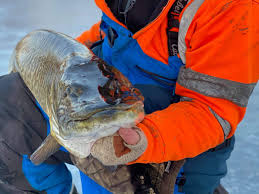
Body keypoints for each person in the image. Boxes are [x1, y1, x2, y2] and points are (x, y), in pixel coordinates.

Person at [0, 0, 257, 194]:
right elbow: (110, 34)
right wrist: (61, 68)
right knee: (8, 104)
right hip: (103, 112)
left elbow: (211, 110)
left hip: (170, 154)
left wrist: (145, 140)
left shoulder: (228, 7)